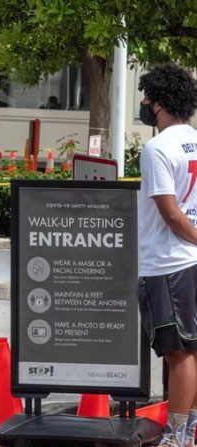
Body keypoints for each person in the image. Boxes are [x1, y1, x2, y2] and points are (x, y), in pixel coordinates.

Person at [137, 64, 197, 447]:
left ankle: (177, 435)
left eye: (146, 97)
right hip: (188, 260)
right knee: (192, 349)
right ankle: (188, 428)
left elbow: (170, 211)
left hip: (168, 262)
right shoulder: (194, 139)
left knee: (178, 353)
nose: (143, 104)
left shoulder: (157, 147)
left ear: (159, 103)